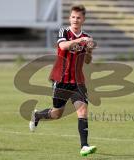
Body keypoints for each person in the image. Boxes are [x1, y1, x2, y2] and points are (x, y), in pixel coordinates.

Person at [29, 4, 97, 156]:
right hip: (61, 79)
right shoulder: (64, 32)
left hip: (78, 81)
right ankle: (38, 115)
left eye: (78, 17)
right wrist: (80, 42)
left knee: (83, 110)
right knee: (57, 114)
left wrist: (89, 50)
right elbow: (63, 46)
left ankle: (84, 146)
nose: (75, 20)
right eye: (73, 17)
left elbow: (87, 61)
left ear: (83, 19)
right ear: (69, 18)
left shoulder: (86, 36)